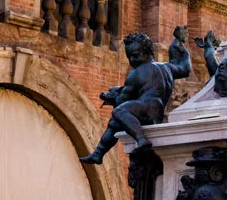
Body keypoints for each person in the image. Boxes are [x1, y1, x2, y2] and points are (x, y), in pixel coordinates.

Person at [80, 27, 191, 161]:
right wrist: (184, 52)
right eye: (129, 57)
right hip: (156, 112)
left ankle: (141, 139)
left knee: (119, 112)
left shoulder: (136, 74)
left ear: (148, 52)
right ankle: (98, 154)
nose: (132, 60)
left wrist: (115, 96)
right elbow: (185, 69)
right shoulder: (166, 68)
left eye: (135, 55)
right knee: (114, 124)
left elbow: (122, 101)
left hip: (146, 110)